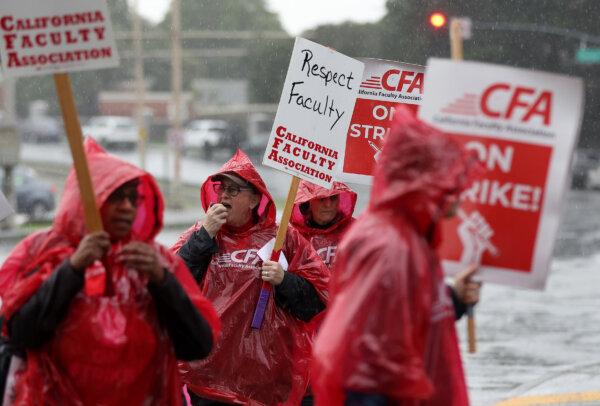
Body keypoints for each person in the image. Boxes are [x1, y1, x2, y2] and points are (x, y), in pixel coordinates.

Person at [0, 139, 220, 405]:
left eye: (132, 197)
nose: (127, 206)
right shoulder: (47, 251)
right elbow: (22, 333)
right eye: (116, 196)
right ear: (86, 201)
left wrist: (162, 281)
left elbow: (197, 344)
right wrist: (73, 269)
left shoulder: (152, 259)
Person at [312, 108, 481, 405]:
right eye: (450, 180)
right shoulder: (389, 247)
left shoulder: (409, 237)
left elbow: (406, 318)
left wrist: (453, 298)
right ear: (423, 182)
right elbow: (372, 362)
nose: (459, 192)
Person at [173, 149, 329, 406]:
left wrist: (284, 280)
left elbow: (315, 304)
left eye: (233, 191)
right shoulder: (203, 233)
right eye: (221, 188)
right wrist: (203, 237)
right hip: (209, 379)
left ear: (255, 199)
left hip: (265, 382)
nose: (223, 196)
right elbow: (174, 286)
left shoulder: (282, 238)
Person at [291, 180, 480, 320]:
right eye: (322, 199)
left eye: (333, 198)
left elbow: (409, 304)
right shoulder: (289, 238)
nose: (328, 205)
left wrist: (456, 299)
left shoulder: (363, 236)